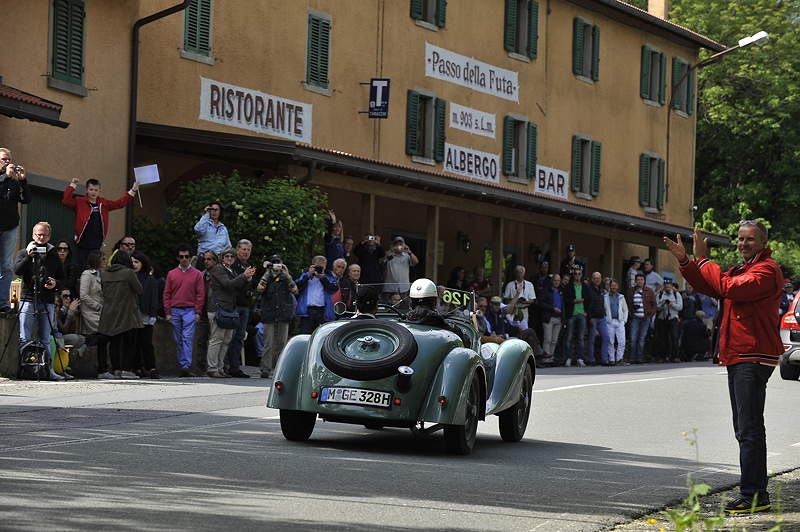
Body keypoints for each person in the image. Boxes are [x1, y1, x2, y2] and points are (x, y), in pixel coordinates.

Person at [664, 223, 782, 514]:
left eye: (749, 239)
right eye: (740, 239)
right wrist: (686, 262)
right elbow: (709, 285)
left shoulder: (766, 271)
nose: (743, 244)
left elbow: (726, 287)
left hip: (752, 356)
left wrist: (702, 259)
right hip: (739, 355)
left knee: (749, 428)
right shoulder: (744, 269)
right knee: (746, 427)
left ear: (763, 241)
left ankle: (754, 495)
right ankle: (755, 492)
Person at [14, 222, 65, 380]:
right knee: (25, 337)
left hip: (47, 299)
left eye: (44, 235)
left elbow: (62, 277)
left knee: (45, 337)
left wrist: (55, 283)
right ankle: (24, 369)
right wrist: (29, 257)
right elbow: (17, 270)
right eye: (38, 235)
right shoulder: (24, 252)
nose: (41, 238)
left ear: (49, 236)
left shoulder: (53, 253)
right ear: (33, 235)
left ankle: (47, 370)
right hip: (28, 298)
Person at [62, 177, 138, 269]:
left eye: (96, 190)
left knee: (94, 265)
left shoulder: (103, 203)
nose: (93, 192)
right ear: (86, 190)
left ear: (99, 191)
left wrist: (133, 191)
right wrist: (73, 185)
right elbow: (66, 201)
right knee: (81, 266)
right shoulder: (80, 201)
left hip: (96, 241)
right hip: (82, 240)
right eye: (91, 189)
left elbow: (119, 203)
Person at [205, 248, 255, 378]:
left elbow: (236, 287)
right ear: (222, 258)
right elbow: (228, 285)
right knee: (216, 339)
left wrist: (247, 278)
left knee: (226, 339)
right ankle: (212, 368)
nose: (229, 258)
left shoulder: (231, 270)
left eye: (232, 257)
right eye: (227, 256)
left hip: (229, 308)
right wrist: (244, 276)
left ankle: (220, 368)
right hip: (218, 308)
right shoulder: (218, 269)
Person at [98, 250, 142, 379]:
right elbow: (139, 289)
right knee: (129, 342)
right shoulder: (129, 273)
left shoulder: (104, 274)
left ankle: (116, 369)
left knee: (114, 342)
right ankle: (126, 369)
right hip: (127, 312)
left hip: (109, 312)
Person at [163, 243, 206, 377]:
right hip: (175, 310)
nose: (184, 259)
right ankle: (183, 364)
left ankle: (186, 366)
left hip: (190, 310)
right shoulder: (171, 274)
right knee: (178, 339)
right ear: (178, 258)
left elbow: (200, 294)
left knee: (187, 338)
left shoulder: (197, 274)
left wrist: (198, 312)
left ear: (190, 257)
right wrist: (168, 312)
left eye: (187, 256)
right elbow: (167, 294)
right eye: (181, 257)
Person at [256, 254, 297, 379]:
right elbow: (259, 289)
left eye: (278, 262)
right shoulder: (267, 277)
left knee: (281, 343)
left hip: (283, 314)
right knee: (268, 343)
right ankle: (265, 368)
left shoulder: (285, 277)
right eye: (274, 263)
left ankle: (280, 368)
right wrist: (267, 273)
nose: (276, 265)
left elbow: (295, 290)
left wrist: (287, 275)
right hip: (269, 314)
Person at [0, 148, 30, 312]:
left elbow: (27, 199)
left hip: (9, 227)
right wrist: (5, 177)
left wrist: (23, 181)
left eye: (9, 159)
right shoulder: (6, 178)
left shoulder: (13, 181)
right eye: (4, 159)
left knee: (6, 265)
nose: (7, 162)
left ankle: (3, 304)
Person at [225, 239, 256, 379]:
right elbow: (233, 285)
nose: (245, 252)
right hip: (234, 305)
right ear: (237, 250)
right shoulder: (233, 264)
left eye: (248, 250)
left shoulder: (248, 265)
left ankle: (235, 367)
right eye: (243, 249)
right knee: (229, 337)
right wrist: (245, 277)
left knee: (239, 338)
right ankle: (225, 366)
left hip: (245, 306)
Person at [79, 251, 113, 379]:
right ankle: (102, 369)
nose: (105, 261)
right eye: (103, 259)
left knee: (103, 339)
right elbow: (84, 295)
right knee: (103, 337)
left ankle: (102, 368)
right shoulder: (87, 274)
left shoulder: (103, 274)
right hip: (91, 311)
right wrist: (98, 306)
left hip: (103, 311)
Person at [132, 251, 160, 379]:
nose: (134, 265)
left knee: (147, 343)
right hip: (133, 315)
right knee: (135, 343)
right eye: (132, 262)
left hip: (146, 315)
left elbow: (154, 298)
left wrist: (153, 315)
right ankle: (137, 367)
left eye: (137, 262)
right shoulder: (130, 277)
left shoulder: (149, 279)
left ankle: (151, 367)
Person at [295, 255, 338, 334]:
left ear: (325, 266)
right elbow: (296, 286)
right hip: (307, 311)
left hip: (323, 311)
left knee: (321, 335)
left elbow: (334, 288)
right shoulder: (306, 274)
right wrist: (308, 274)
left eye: (322, 267)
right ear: (312, 265)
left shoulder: (328, 276)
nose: (319, 269)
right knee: (305, 335)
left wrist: (322, 278)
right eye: (317, 266)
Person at [625, 272, 656, 364]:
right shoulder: (630, 291)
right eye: (638, 280)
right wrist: (631, 312)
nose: (639, 281)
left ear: (644, 281)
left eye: (641, 280)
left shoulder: (649, 291)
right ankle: (631, 358)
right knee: (633, 338)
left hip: (645, 318)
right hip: (635, 317)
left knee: (642, 339)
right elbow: (627, 303)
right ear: (635, 281)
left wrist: (651, 314)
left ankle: (639, 358)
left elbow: (654, 304)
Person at [562, 266, 587, 367]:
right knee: (569, 337)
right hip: (572, 314)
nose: (577, 275)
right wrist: (574, 301)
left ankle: (580, 359)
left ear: (581, 275)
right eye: (575, 274)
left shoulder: (585, 286)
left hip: (582, 314)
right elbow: (565, 300)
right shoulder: (569, 286)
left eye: (579, 274)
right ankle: (568, 358)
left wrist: (586, 311)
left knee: (580, 338)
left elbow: (589, 299)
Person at [194, 201, 231, 266]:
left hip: (219, 259)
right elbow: (198, 229)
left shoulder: (223, 228)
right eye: (212, 210)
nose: (214, 212)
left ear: (220, 212)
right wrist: (206, 214)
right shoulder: (205, 224)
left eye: (216, 210)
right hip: (204, 258)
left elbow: (228, 246)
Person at [654, 281, 683, 362]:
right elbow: (657, 308)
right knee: (662, 338)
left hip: (673, 318)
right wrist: (663, 303)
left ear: (671, 287)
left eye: (669, 287)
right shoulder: (660, 295)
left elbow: (680, 307)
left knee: (674, 338)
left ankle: (675, 356)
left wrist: (671, 304)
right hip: (662, 318)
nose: (667, 289)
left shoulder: (676, 294)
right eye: (666, 287)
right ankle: (662, 357)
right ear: (664, 287)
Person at [586, 271, 610, 365]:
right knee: (591, 339)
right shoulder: (588, 289)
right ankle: (591, 360)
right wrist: (590, 317)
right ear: (592, 279)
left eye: (598, 278)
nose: (597, 280)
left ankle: (604, 360)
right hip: (593, 318)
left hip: (601, 317)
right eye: (595, 278)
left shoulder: (601, 290)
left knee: (606, 338)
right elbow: (587, 304)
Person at [537, 274, 563, 361]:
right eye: (555, 280)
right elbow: (540, 302)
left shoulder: (561, 291)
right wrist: (552, 308)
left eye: (558, 280)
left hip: (559, 318)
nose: (556, 282)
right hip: (549, 317)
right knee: (547, 339)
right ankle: (545, 359)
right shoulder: (546, 290)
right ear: (552, 281)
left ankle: (551, 358)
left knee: (554, 340)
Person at [502, 265, 536, 330]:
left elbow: (532, 299)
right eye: (518, 272)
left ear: (524, 273)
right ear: (515, 273)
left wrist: (524, 301)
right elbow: (505, 299)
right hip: (513, 310)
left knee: (524, 329)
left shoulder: (529, 285)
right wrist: (516, 300)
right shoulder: (510, 285)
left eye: (521, 272)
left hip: (524, 309)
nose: (519, 274)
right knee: (513, 329)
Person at [603, 279, 628, 365]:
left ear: (617, 287)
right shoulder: (605, 297)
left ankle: (619, 359)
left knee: (622, 341)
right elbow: (603, 309)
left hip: (620, 321)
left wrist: (624, 320)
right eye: (612, 285)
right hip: (610, 321)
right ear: (609, 286)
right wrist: (606, 319)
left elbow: (625, 310)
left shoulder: (621, 297)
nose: (613, 287)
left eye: (615, 285)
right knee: (610, 341)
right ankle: (612, 359)